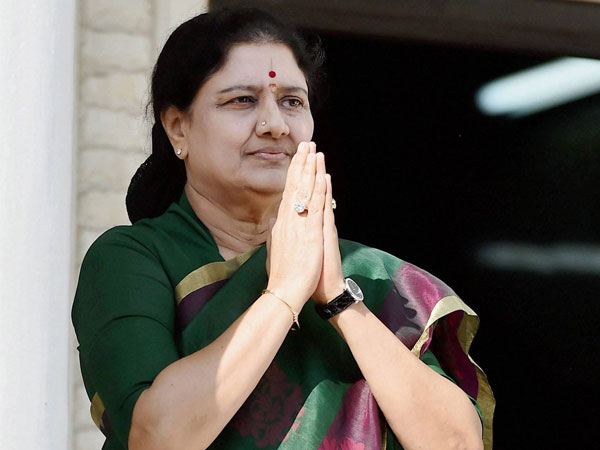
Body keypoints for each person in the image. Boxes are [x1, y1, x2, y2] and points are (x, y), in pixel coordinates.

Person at [72, 7, 494, 450]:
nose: (275, 125)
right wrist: (285, 292)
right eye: (242, 100)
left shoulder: (364, 274)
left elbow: (457, 444)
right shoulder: (132, 260)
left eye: (292, 102)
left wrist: (338, 299)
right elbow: (158, 437)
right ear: (178, 128)